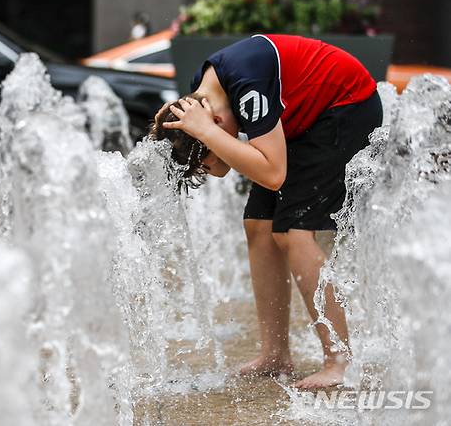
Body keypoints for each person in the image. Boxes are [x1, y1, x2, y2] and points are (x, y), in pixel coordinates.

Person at [150, 34, 382, 389]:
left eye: (206, 161)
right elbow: (253, 161)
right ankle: (276, 355)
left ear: (212, 121)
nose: (212, 169)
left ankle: (338, 361)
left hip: (345, 106)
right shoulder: (205, 94)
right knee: (258, 224)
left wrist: (207, 136)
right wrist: (201, 134)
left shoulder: (247, 85)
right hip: (304, 118)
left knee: (292, 232)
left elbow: (273, 174)